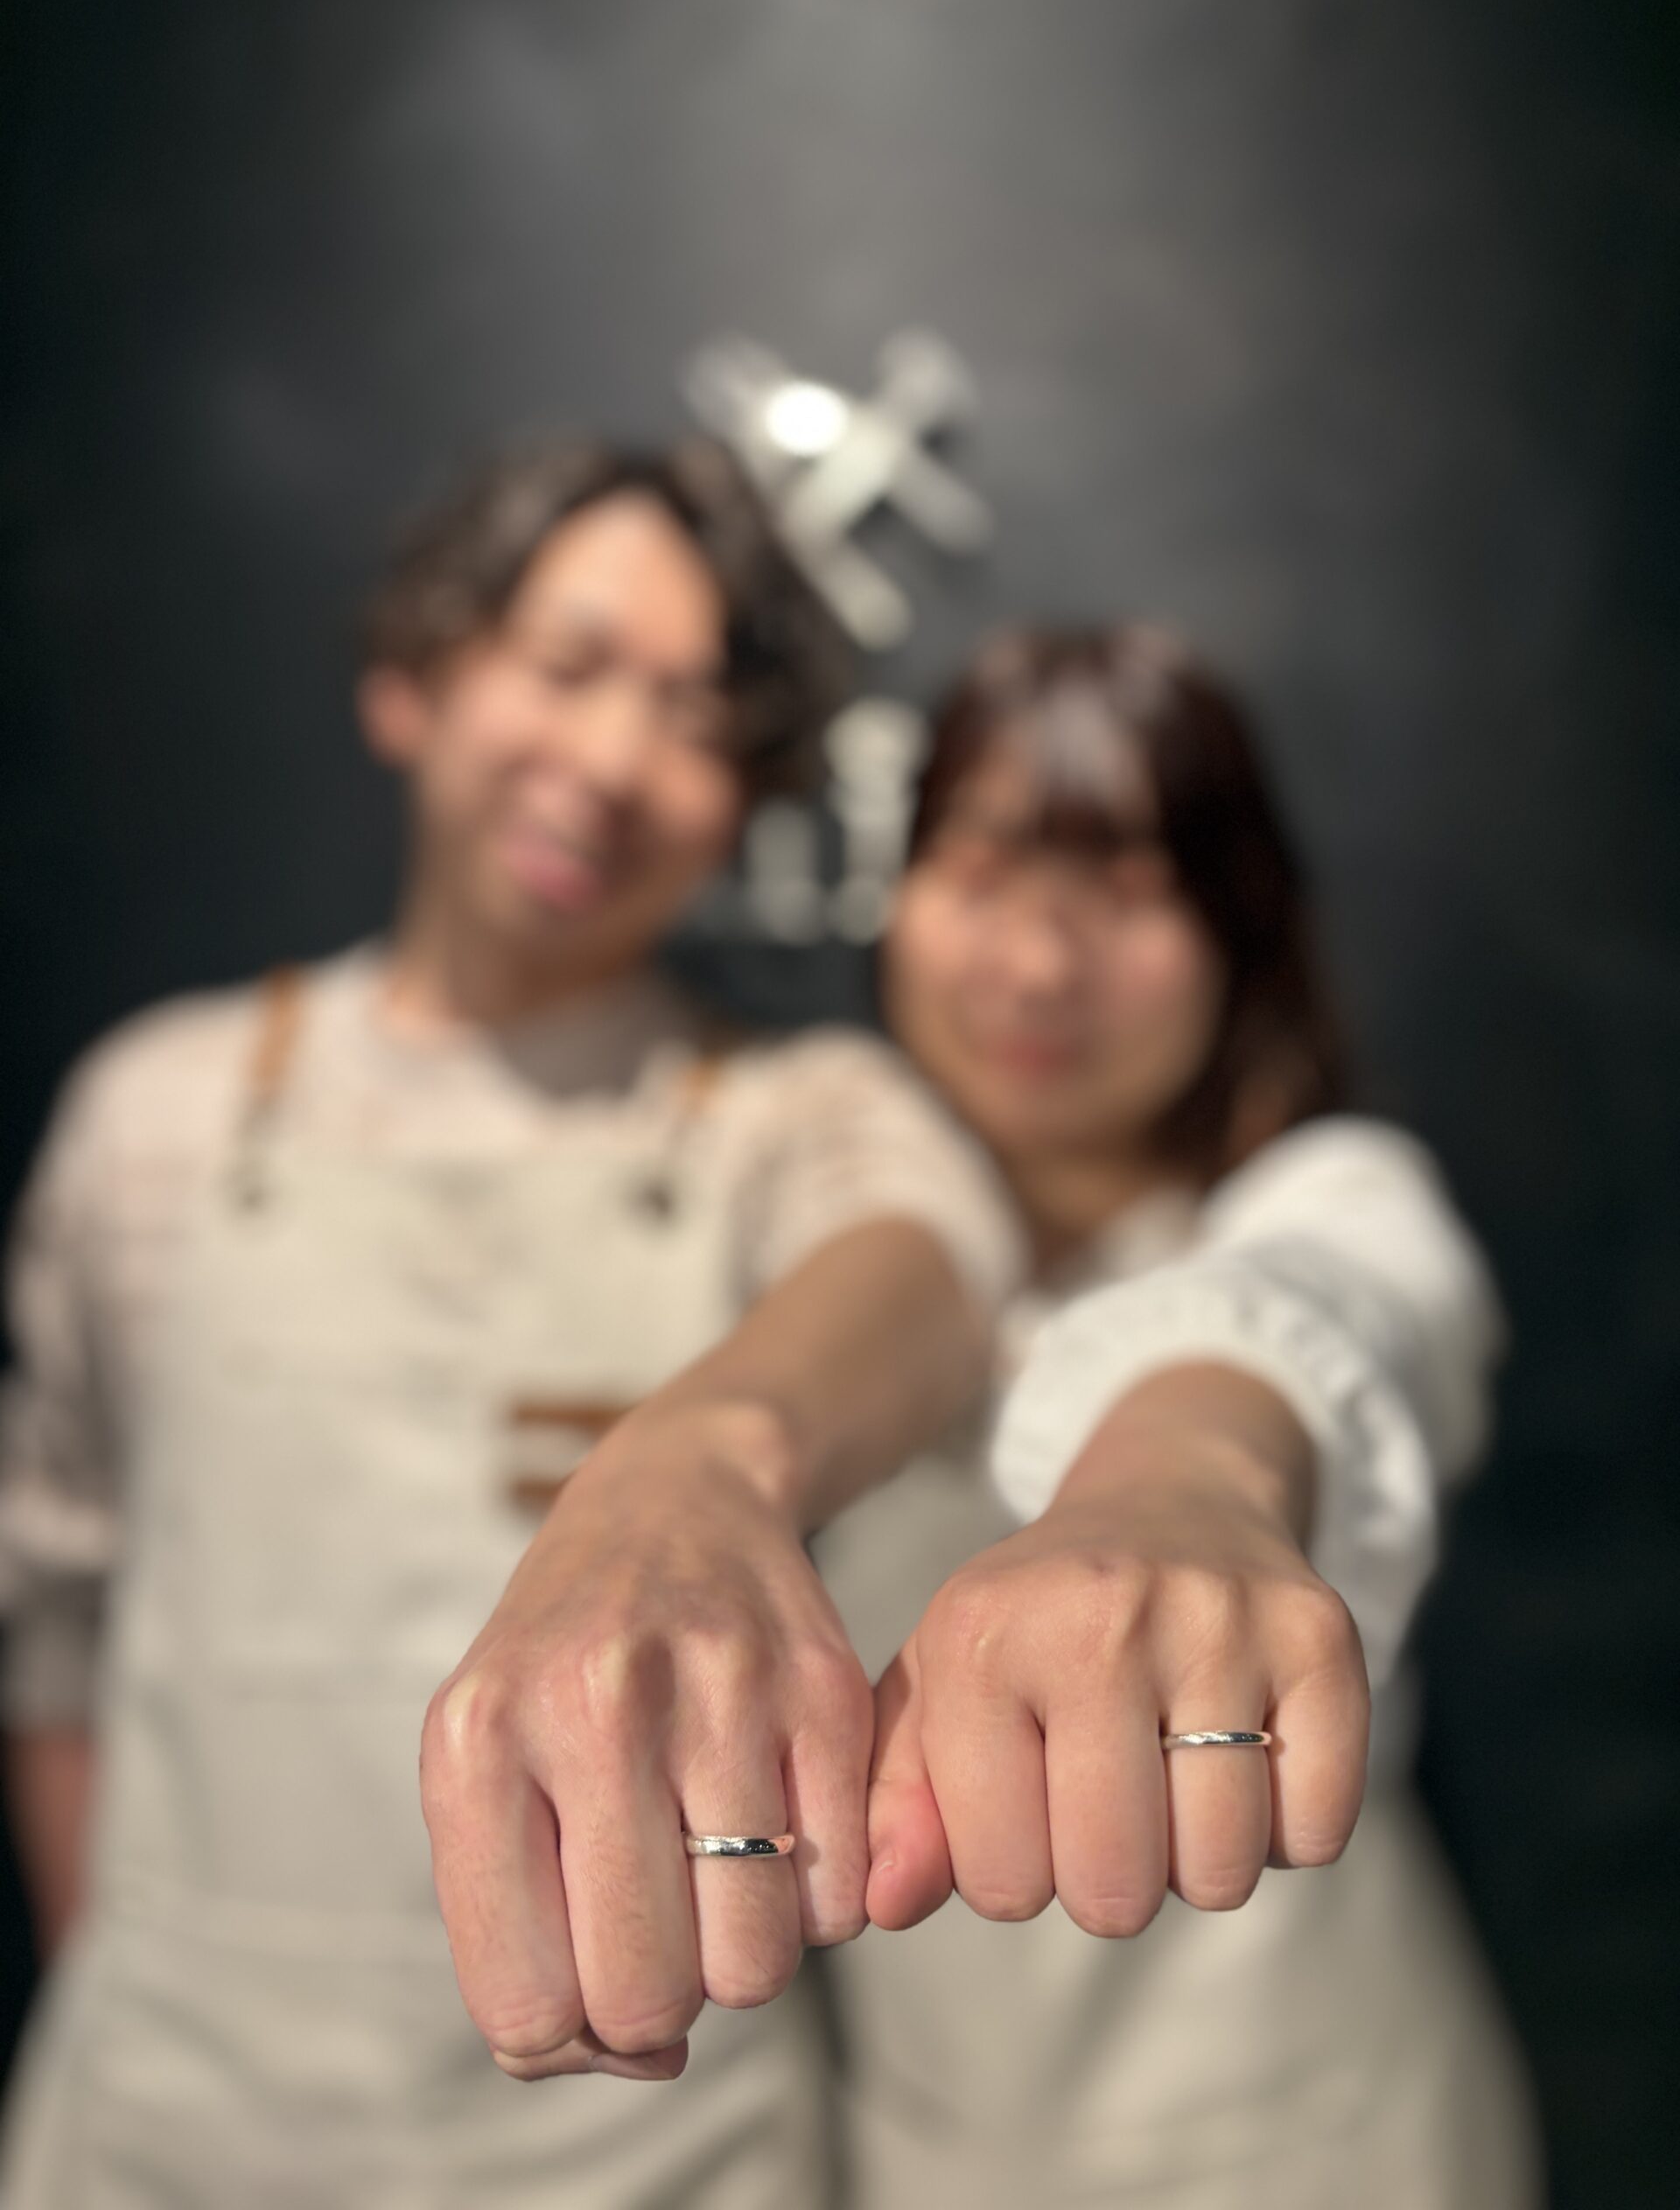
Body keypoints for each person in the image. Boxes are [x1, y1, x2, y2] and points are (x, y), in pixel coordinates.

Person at [0, 439, 1023, 2207]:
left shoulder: (788, 1118)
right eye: (567, 666)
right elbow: (57, 1625)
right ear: (413, 681)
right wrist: (131, 1971)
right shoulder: (155, 1119)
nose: (613, 761)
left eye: (695, 720)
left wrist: (706, 1456)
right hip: (167, 2126)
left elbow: (932, 1268)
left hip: (649, 2145)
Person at [811, 623, 1542, 2207]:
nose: (1037, 966)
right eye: (980, 874)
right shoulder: (831, 1230)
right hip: (922, 2142)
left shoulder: (1324, 1194)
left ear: (1238, 929)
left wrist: (1180, 1478)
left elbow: (1339, 1303)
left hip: (1304, 2137)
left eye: (1128, 895)